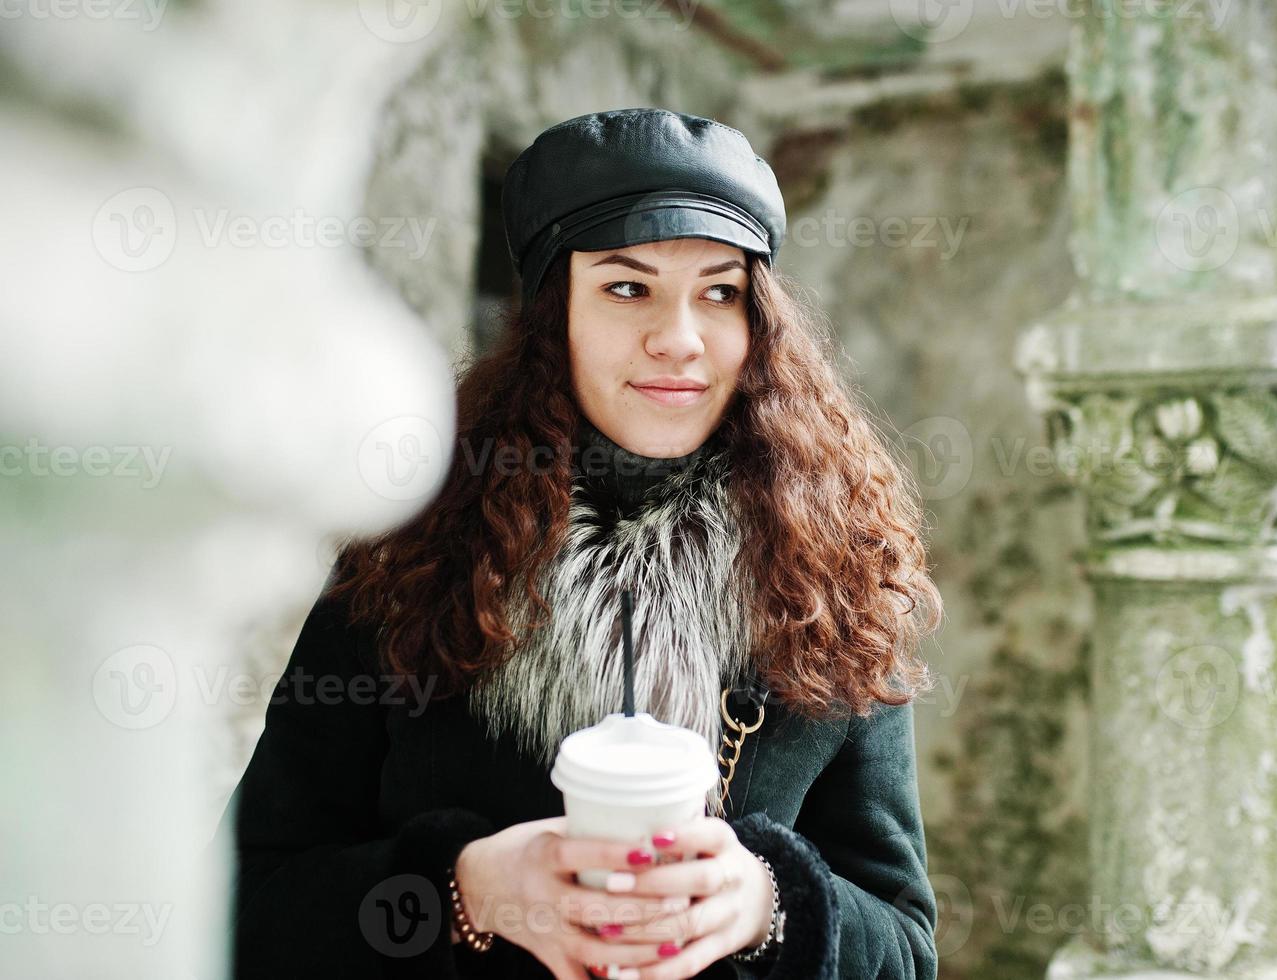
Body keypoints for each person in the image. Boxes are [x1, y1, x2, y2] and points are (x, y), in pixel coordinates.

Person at [220, 107, 944, 980]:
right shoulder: (406, 559)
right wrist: (464, 890)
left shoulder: (837, 573)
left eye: (719, 291)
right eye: (626, 287)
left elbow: (904, 948)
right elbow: (245, 901)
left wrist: (769, 902)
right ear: (550, 316)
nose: (678, 339)